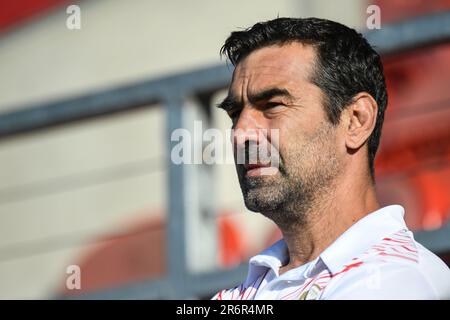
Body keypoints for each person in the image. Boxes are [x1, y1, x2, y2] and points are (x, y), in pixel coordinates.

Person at [212, 17, 450, 300]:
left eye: (272, 105)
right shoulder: (249, 287)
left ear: (356, 120)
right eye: (235, 113)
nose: (240, 133)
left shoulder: (397, 279)